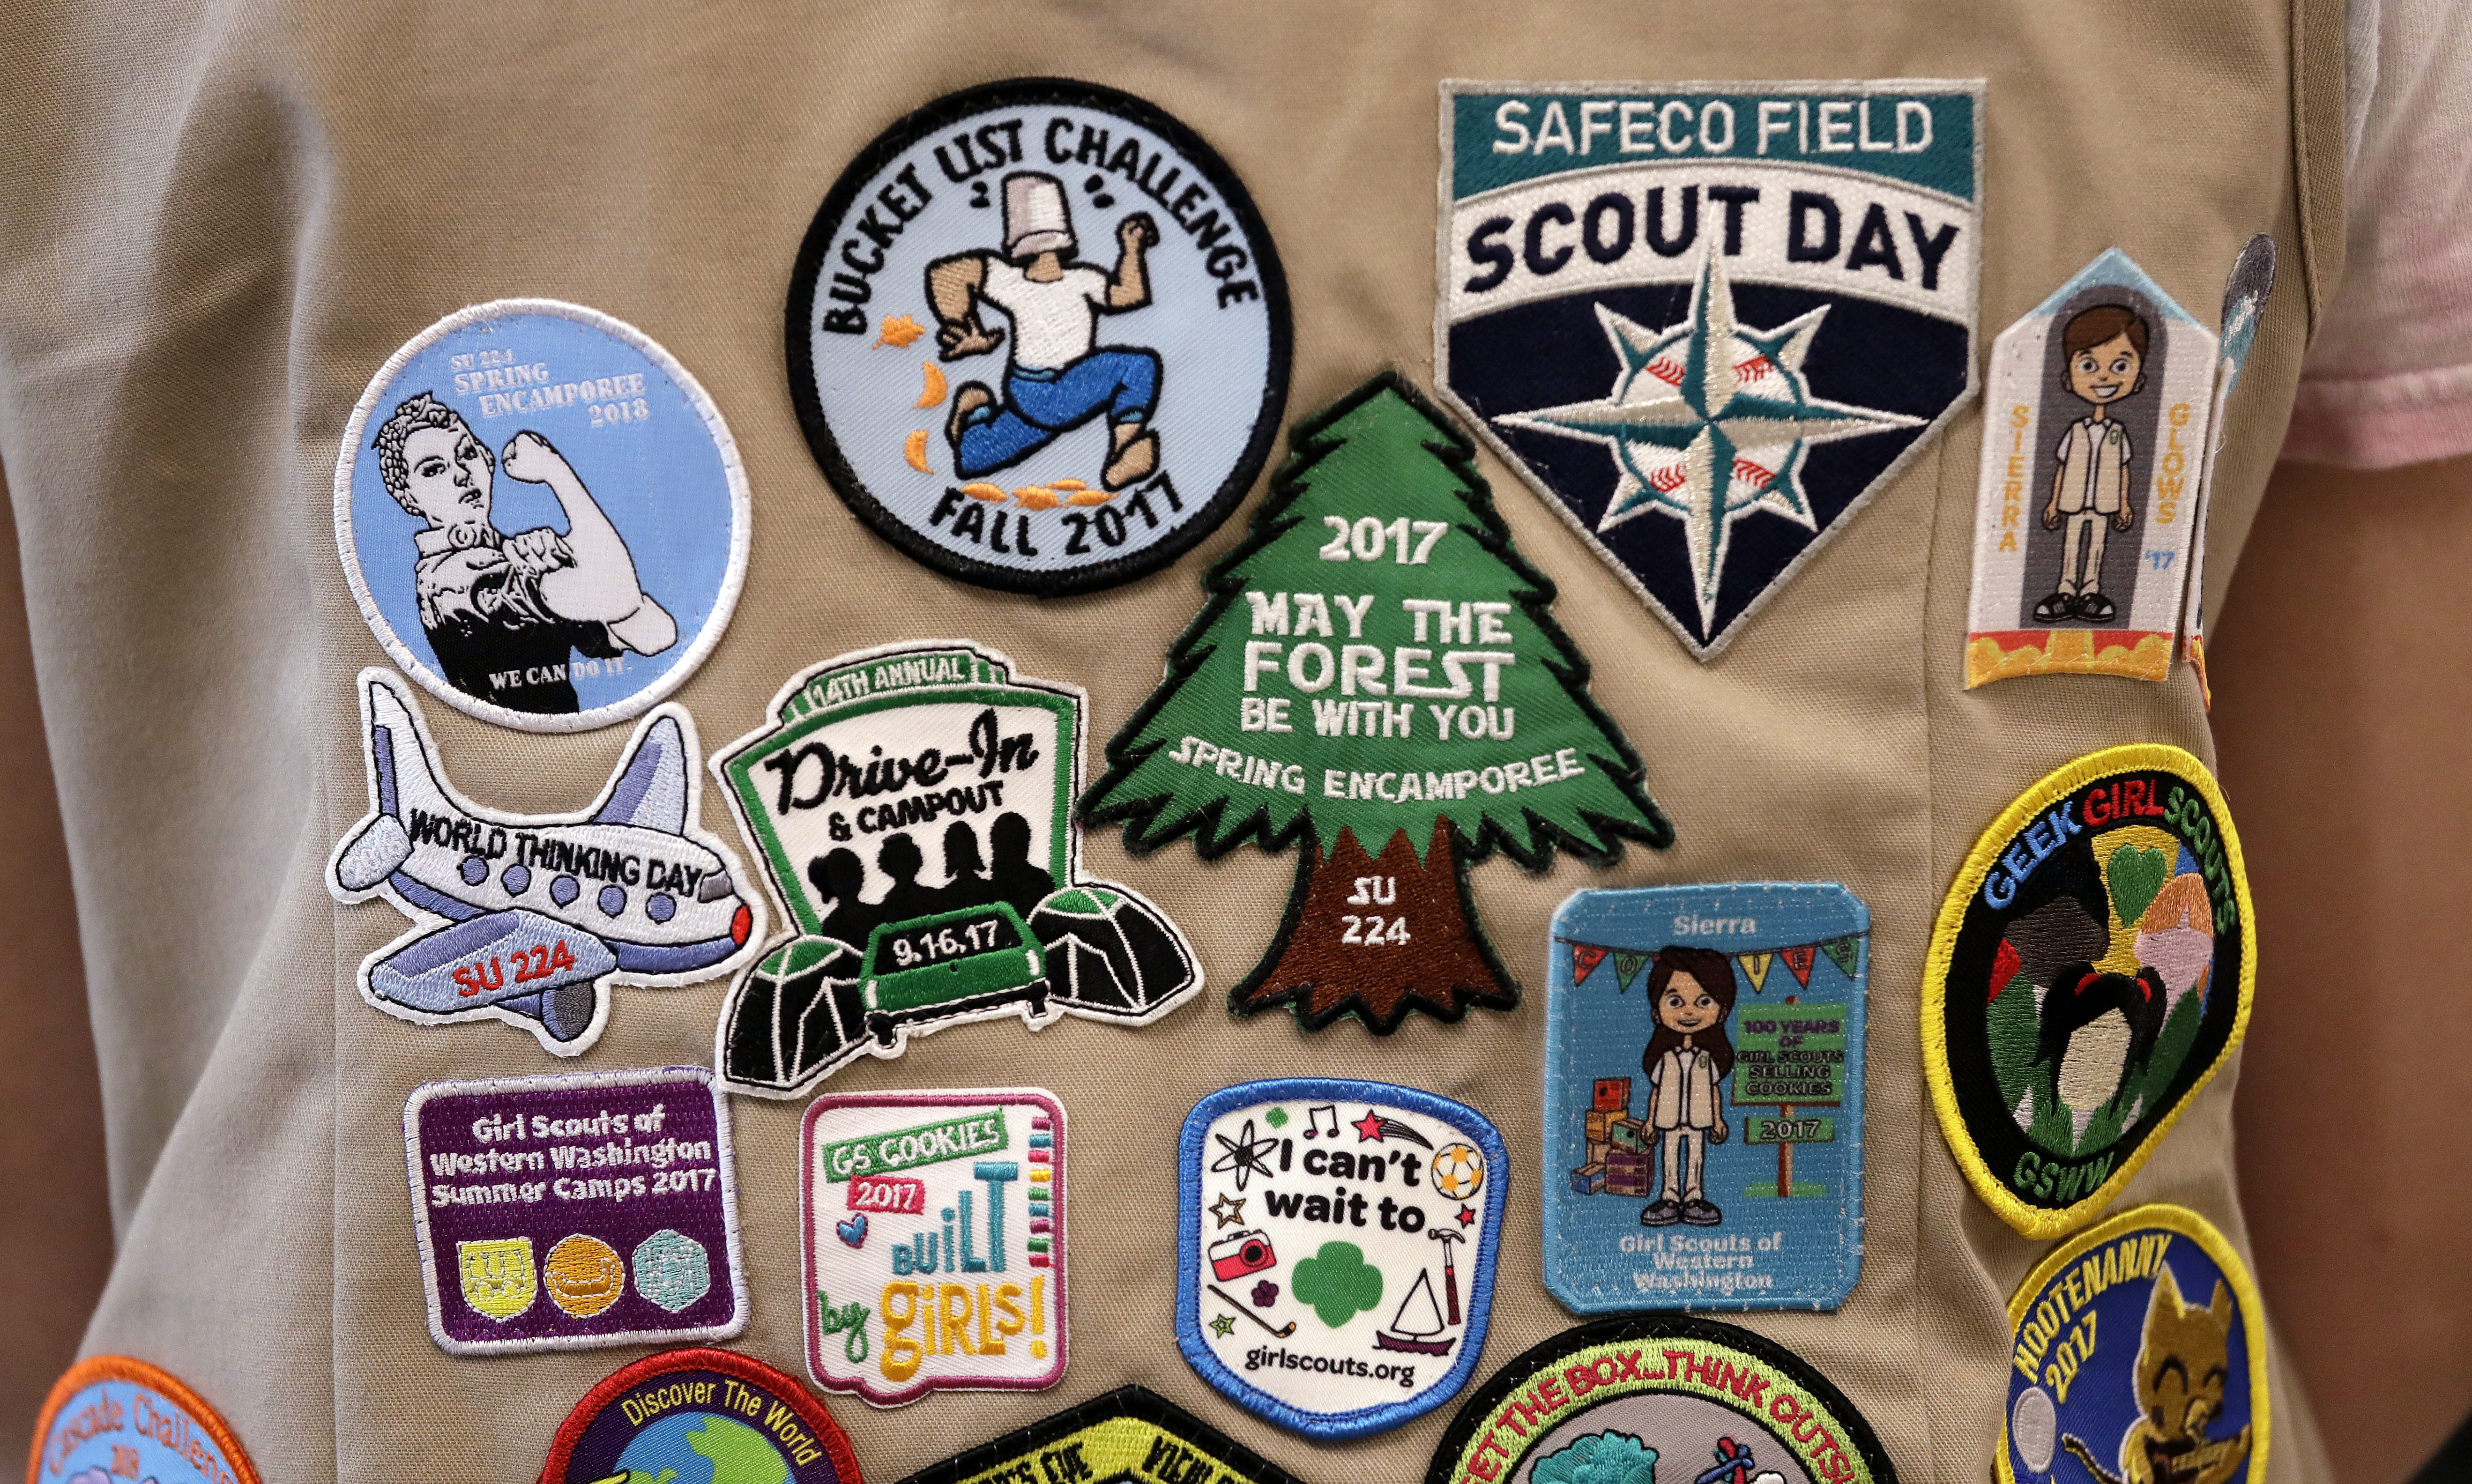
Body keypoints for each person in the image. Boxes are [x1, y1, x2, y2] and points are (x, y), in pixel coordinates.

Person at [371, 393, 676, 713]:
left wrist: (571, 561)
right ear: (409, 497)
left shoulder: (509, 554)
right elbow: (619, 597)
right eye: (434, 470)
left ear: (488, 461)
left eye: (468, 454)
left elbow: (655, 635)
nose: (462, 474)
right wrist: (556, 471)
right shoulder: (451, 579)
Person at [927, 172, 1164, 490]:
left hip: (1046, 391)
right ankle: (1123, 450)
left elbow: (1129, 296)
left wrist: (1132, 250)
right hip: (1050, 390)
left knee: (976, 459)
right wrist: (965, 328)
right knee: (1137, 367)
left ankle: (973, 420)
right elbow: (947, 274)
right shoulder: (1020, 281)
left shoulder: (1071, 279)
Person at [2036, 305, 2150, 624]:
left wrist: (2125, 505)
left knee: (2097, 546)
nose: (2103, 376)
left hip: (2104, 501)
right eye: (2088, 365)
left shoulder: (2119, 433)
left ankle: (2091, 591)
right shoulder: (2074, 432)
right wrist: (2054, 502)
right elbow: (2061, 467)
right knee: (2072, 544)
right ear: (2069, 378)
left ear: (2137, 377)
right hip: (2073, 501)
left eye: (2120, 365)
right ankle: (2065, 590)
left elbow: (2125, 470)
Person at [1638, 946, 1736, 1228]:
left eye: (1704, 1001)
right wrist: (1649, 1122)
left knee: (1696, 1154)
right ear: (1657, 1011)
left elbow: (1714, 1090)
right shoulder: (1666, 1059)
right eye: (1675, 1002)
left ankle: (1694, 1197)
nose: (1689, 1012)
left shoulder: (1707, 1059)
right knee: (1669, 1153)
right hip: (1668, 1119)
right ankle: (1669, 1197)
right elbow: (1656, 1090)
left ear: (1721, 1011)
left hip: (1699, 1117)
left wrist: (1718, 1120)